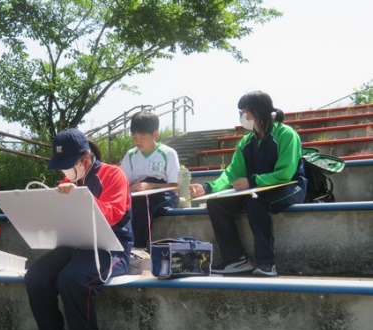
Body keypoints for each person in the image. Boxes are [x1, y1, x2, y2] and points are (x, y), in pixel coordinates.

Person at [24, 128, 133, 330]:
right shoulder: (67, 182)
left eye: (67, 165)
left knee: (72, 278)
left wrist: (83, 197)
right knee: (36, 276)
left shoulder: (113, 174)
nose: (64, 172)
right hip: (75, 244)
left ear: (84, 158)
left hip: (112, 248)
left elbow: (114, 215)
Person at [189, 91, 307, 277]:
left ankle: (267, 264)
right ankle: (236, 260)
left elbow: (285, 173)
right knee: (216, 203)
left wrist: (252, 181)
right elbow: (232, 173)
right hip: (257, 189)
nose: (242, 116)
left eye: (244, 111)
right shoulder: (246, 142)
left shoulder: (286, 134)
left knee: (256, 201)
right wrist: (208, 188)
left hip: (290, 187)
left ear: (257, 112)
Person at [120, 111, 180, 249]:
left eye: (143, 137)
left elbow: (175, 187)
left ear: (155, 134)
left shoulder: (168, 153)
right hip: (138, 193)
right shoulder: (131, 155)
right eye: (134, 138)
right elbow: (123, 182)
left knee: (144, 203)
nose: (138, 141)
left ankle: (137, 247)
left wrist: (150, 185)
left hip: (163, 194)